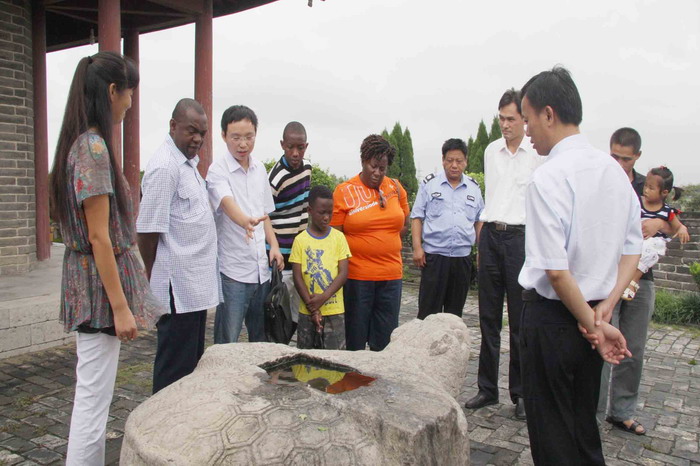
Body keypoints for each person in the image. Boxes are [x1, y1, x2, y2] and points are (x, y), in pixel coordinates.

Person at [517, 66, 640, 465]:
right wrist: (605, 309)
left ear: (548, 114)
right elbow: (632, 249)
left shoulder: (548, 177)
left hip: (555, 320)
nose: (526, 130)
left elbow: (555, 270)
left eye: (527, 119)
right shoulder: (615, 173)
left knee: (552, 435)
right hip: (596, 315)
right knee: (583, 426)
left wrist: (594, 324)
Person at [49, 52, 164, 466]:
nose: (130, 102)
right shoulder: (93, 148)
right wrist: (120, 308)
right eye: (129, 92)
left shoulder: (80, 142)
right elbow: (99, 236)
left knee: (92, 397)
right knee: (93, 403)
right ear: (113, 91)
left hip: (88, 283)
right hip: (97, 291)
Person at [597, 129, 684, 436]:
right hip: (606, 276)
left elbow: (675, 226)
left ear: (637, 157)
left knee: (632, 347)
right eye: (615, 156)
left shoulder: (648, 186)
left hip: (641, 279)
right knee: (600, 346)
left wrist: (660, 222)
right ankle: (592, 415)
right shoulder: (601, 181)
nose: (620, 164)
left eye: (626, 158)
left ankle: (622, 412)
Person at [464, 89, 543, 420]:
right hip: (491, 237)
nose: (505, 125)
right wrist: (481, 243)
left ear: (524, 119)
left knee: (520, 321)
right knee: (488, 317)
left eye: (511, 119)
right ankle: (487, 388)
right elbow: (491, 198)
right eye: (501, 119)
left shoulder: (537, 154)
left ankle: (520, 393)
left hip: (521, 240)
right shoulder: (491, 151)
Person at [136, 99, 221, 394]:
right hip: (177, 289)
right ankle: (162, 419)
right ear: (173, 126)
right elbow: (148, 230)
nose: (197, 139)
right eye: (191, 131)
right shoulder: (165, 167)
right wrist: (149, 276)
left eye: (202, 133)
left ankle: (184, 417)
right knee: (174, 370)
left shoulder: (187, 165)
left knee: (190, 366)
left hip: (193, 287)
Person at [206, 105, 284, 343]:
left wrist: (274, 246)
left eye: (249, 137)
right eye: (236, 137)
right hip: (233, 272)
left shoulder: (260, 169)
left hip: (261, 271)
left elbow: (264, 213)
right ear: (223, 136)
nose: (243, 144)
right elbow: (226, 202)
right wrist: (245, 221)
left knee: (260, 340)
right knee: (227, 340)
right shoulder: (217, 170)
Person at [330, 134, 410, 351]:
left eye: (382, 168)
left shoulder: (395, 188)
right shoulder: (344, 191)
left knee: (384, 343)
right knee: (355, 341)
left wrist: (385, 241)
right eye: (373, 166)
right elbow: (336, 236)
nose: (377, 173)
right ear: (363, 161)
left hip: (391, 277)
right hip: (358, 278)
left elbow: (404, 222)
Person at [411, 138, 483, 320]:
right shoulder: (429, 184)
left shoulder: (474, 188)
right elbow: (417, 217)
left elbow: (479, 221)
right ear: (443, 160)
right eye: (450, 160)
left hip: (462, 259)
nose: (454, 165)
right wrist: (417, 248)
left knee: (454, 316)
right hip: (434, 258)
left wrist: (482, 251)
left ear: (466, 162)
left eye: (459, 161)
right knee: (428, 313)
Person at [290, 185, 352, 349]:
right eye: (321, 213)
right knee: (306, 357)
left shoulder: (339, 238)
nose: (326, 217)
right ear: (310, 211)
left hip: (334, 312)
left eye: (330, 213)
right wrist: (313, 308)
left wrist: (323, 297)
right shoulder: (300, 240)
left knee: (334, 358)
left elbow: (343, 273)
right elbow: (297, 277)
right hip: (307, 311)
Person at [268, 121, 313, 325]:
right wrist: (273, 249)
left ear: (306, 146)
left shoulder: (307, 169)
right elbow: (264, 215)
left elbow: (304, 205)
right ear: (282, 145)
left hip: (299, 252)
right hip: (280, 255)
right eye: (290, 147)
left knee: (298, 311)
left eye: (300, 148)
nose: (295, 153)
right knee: (279, 312)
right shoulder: (275, 178)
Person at [621, 166, 689, 300]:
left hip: (651, 245)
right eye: (645, 185)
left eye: (651, 188)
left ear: (664, 192)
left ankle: (633, 281)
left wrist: (682, 229)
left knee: (653, 247)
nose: (646, 190)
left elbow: (677, 226)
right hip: (635, 240)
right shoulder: (637, 202)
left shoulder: (667, 211)